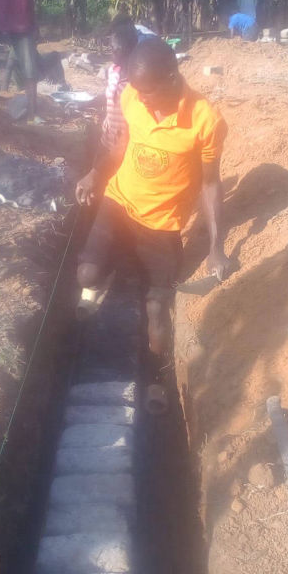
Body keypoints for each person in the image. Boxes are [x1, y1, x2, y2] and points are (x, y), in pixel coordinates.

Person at [75, 38, 229, 396]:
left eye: (149, 92)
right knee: (86, 274)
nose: (140, 99)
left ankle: (156, 379)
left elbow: (210, 184)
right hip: (119, 201)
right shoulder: (133, 96)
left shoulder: (205, 120)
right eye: (137, 90)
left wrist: (216, 247)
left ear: (172, 79)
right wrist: (95, 173)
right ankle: (115, 270)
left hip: (162, 223)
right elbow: (120, 145)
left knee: (157, 308)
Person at [75, 19, 139, 203]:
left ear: (127, 49)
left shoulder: (138, 80)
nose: (110, 52)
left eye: (113, 48)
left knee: (113, 186)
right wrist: (87, 103)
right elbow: (107, 95)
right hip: (107, 137)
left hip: (124, 145)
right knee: (97, 178)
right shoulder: (113, 71)